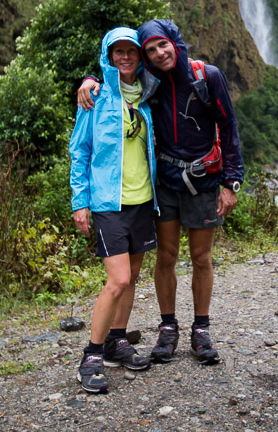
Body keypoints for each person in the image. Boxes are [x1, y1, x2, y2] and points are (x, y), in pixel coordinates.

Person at [77, 19, 244, 366]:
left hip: (202, 180)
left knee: (201, 258)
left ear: (175, 43)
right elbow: (110, 79)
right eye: (150, 49)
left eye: (161, 45)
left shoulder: (207, 76)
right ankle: (168, 327)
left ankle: (201, 329)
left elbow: (228, 127)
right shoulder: (148, 84)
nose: (158, 53)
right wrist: (89, 79)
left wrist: (232, 181)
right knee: (165, 257)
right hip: (165, 182)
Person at [69, 27, 159, 393]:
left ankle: (116, 342)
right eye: (118, 51)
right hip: (108, 202)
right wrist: (81, 202)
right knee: (118, 279)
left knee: (133, 278)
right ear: (108, 56)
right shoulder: (95, 96)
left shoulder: (148, 96)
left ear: (139, 57)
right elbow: (80, 152)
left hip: (143, 200)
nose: (125, 57)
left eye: (131, 52)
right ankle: (90, 355)